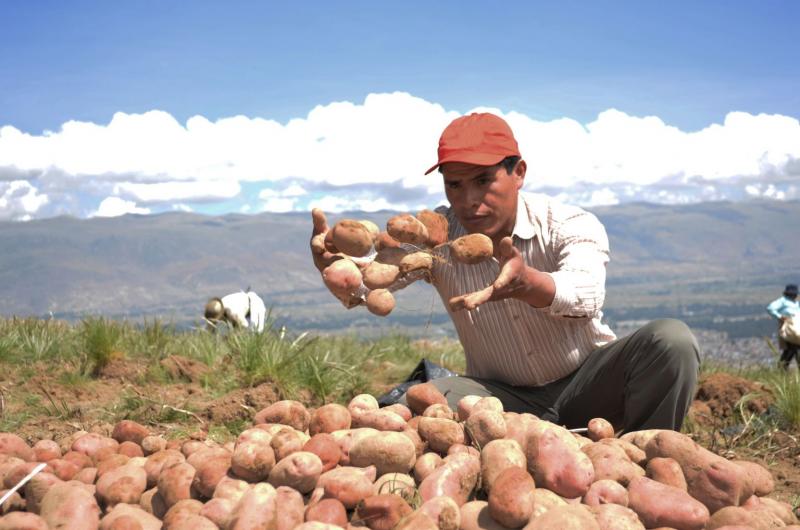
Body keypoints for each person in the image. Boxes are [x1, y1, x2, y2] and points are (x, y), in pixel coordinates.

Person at [310, 112, 700, 433]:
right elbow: (378, 277)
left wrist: (530, 283)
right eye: (455, 185)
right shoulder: (437, 239)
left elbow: (587, 291)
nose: (468, 200)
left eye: (483, 180)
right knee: (413, 406)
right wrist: (343, 274)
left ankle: (648, 452)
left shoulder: (567, 223)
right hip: (499, 397)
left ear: (519, 172)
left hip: (589, 384)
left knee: (671, 341)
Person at [766, 283, 799, 370]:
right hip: (788, 329)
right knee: (792, 348)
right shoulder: (782, 301)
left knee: (791, 350)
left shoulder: (796, 303)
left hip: (796, 328)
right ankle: (782, 369)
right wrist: (780, 316)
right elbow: (770, 308)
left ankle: (782, 369)